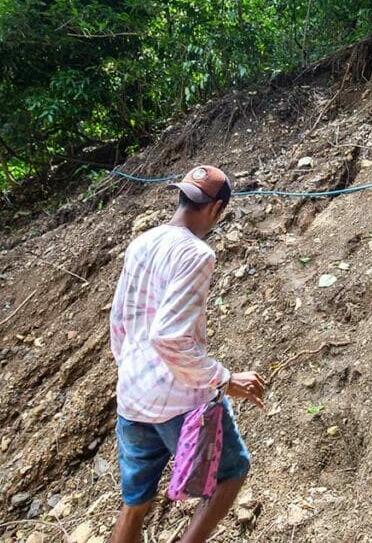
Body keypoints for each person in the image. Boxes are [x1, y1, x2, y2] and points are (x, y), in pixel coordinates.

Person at [108, 165, 266, 543]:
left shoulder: (142, 242)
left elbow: (119, 320)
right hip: (178, 400)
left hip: (132, 395)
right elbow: (169, 337)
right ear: (216, 209)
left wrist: (132, 369)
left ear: (180, 197)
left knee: (134, 503)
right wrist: (225, 379)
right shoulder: (196, 254)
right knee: (231, 472)